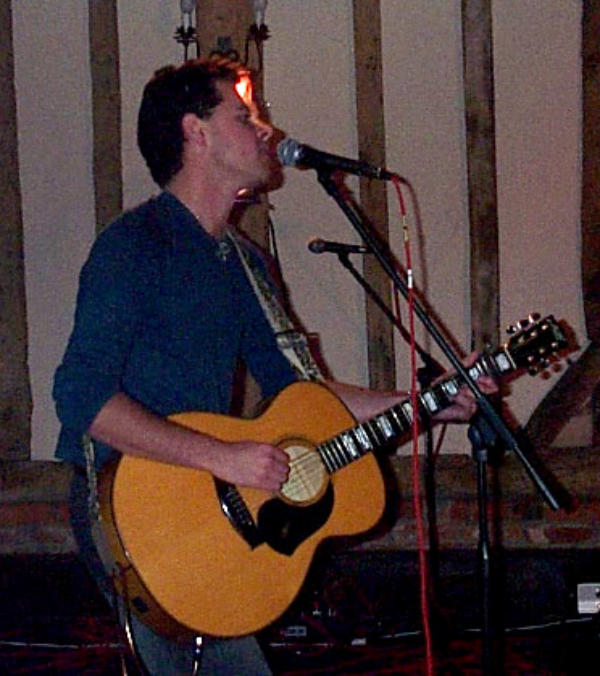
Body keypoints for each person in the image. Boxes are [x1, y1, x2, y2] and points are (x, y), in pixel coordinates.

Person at [53, 58, 495, 675]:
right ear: (195, 132)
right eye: (244, 117)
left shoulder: (246, 263)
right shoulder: (134, 245)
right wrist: (223, 457)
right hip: (130, 507)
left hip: (208, 509)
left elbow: (304, 393)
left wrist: (430, 401)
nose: (266, 130)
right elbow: (82, 397)